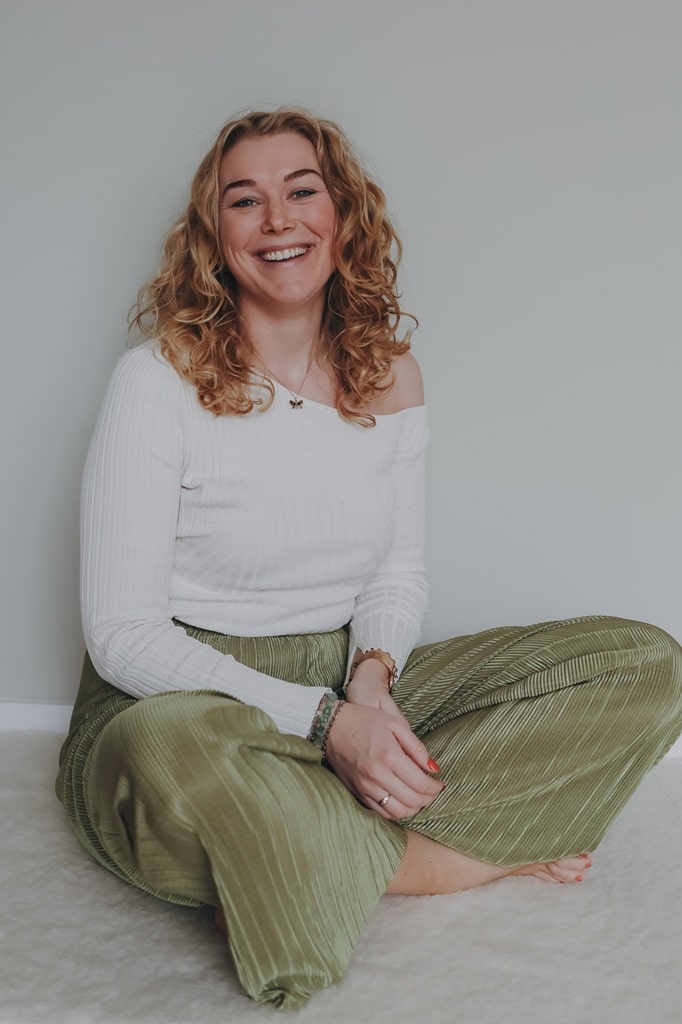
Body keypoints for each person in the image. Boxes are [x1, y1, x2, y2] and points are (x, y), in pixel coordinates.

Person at [56, 108, 682, 1011]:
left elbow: (396, 573)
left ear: (343, 213)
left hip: (342, 675)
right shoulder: (157, 381)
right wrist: (324, 726)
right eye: (245, 200)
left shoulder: (390, 375)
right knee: (173, 753)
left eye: (301, 191)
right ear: (213, 235)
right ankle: (452, 857)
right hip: (183, 698)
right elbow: (122, 638)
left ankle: (309, 850)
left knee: (643, 664)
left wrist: (371, 689)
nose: (277, 219)